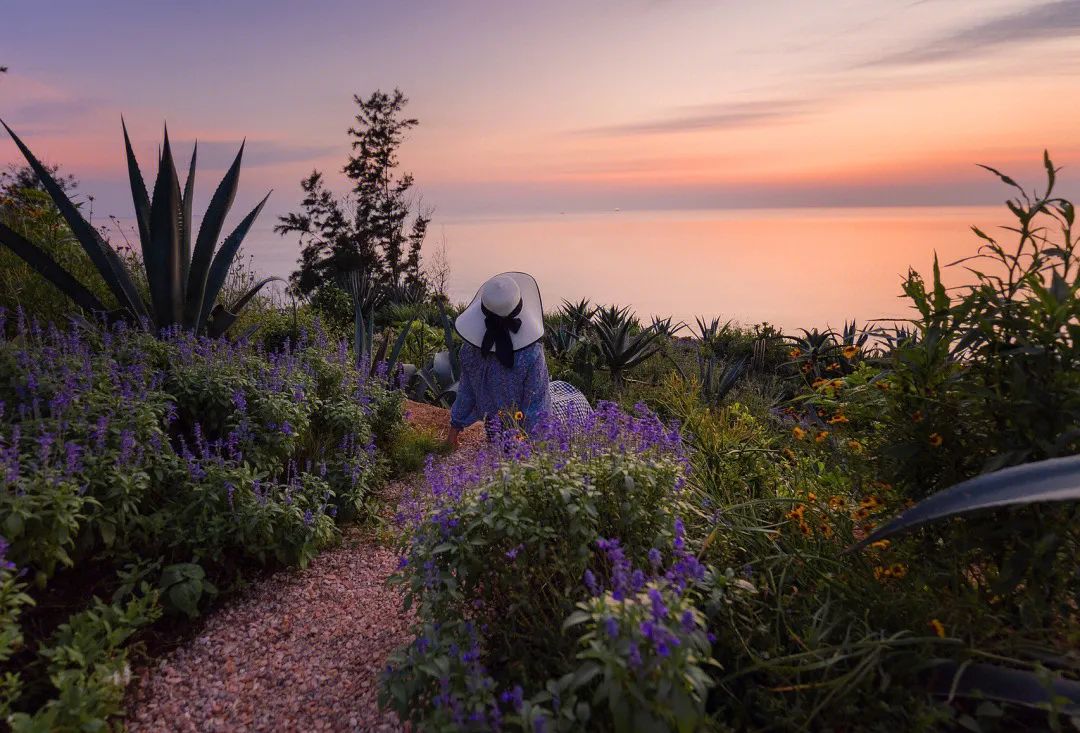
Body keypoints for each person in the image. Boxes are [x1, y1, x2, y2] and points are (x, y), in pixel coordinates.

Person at [447, 272, 591, 448]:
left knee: (560, 389)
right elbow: (537, 406)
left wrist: (454, 429)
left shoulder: (469, 350)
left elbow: (466, 392)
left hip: (494, 429)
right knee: (575, 403)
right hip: (523, 433)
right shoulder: (531, 353)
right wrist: (531, 448)